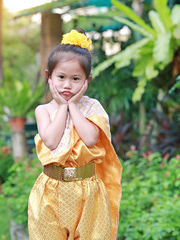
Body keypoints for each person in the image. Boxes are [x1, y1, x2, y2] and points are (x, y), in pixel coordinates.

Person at [28, 28, 122, 240]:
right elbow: (51, 141)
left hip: (88, 191)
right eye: (61, 77)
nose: (67, 85)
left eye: (76, 79)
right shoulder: (43, 111)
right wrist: (63, 107)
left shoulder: (93, 107)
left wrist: (73, 107)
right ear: (49, 76)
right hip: (50, 191)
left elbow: (90, 139)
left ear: (87, 81)